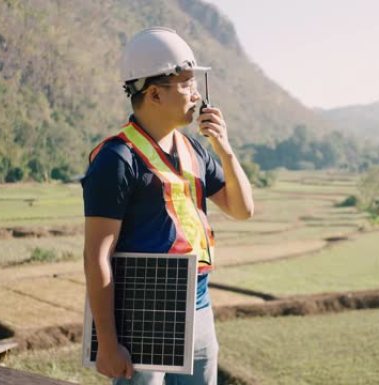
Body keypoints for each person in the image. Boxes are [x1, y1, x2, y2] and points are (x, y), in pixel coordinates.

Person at [82, 27, 254, 385]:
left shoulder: (196, 150)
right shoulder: (116, 159)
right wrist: (109, 344)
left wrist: (225, 148)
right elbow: (97, 255)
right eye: (187, 83)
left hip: (199, 307)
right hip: (143, 315)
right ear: (155, 94)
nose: (196, 94)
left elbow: (242, 209)